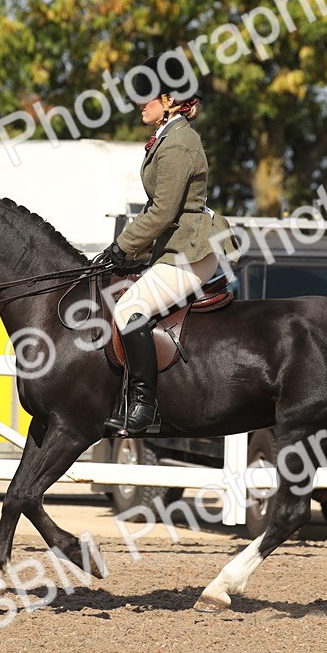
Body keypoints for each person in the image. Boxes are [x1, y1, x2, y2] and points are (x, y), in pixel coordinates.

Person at [102, 52, 237, 436]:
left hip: (191, 249)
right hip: (175, 246)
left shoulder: (179, 142)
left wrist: (122, 248)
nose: (139, 103)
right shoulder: (167, 138)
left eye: (147, 96)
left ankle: (145, 407)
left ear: (169, 101)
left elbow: (162, 212)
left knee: (130, 309)